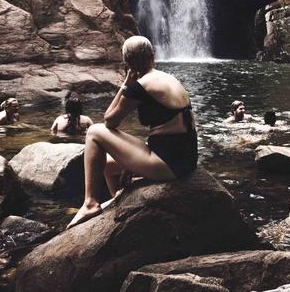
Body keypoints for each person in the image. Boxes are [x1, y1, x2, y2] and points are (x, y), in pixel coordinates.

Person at [67, 35, 197, 229]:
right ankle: (119, 203)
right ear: (153, 56)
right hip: (186, 157)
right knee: (107, 166)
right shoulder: (168, 78)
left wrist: (125, 85)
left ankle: (90, 203)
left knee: (94, 131)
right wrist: (130, 164)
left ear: (127, 63)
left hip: (169, 164)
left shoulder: (140, 87)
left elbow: (109, 121)